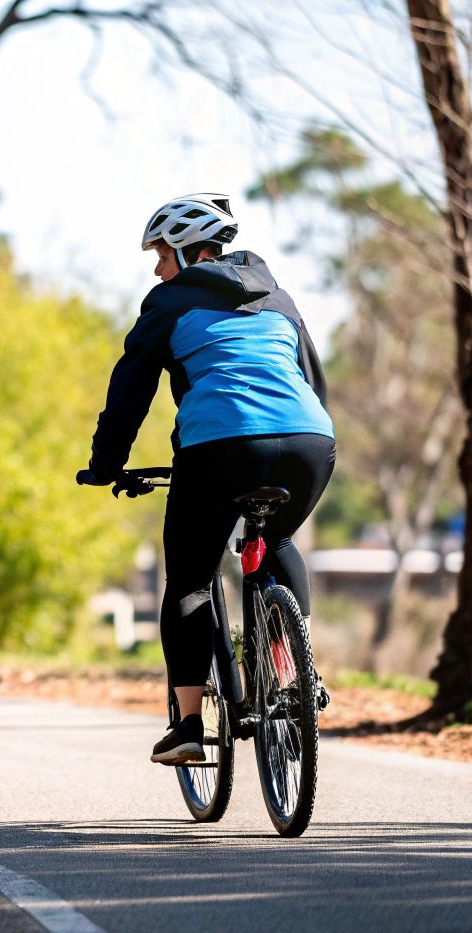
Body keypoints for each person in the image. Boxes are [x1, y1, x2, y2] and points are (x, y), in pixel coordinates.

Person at [77, 192, 336, 765]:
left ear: (191, 252)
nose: (156, 270)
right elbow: (313, 382)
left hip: (220, 446)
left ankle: (189, 725)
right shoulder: (280, 298)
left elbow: (130, 390)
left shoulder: (169, 301)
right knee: (278, 542)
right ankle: (297, 676)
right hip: (310, 442)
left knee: (191, 579)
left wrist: (106, 464)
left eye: (161, 255)